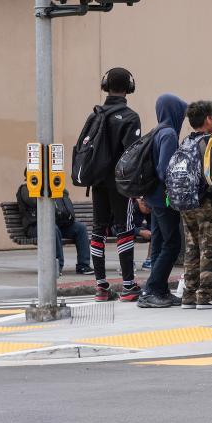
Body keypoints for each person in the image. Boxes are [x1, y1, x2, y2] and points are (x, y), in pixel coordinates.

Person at [86, 67, 142, 302]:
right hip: (121, 184)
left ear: (105, 85)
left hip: (97, 181)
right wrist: (138, 189)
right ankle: (128, 285)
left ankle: (101, 286)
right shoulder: (130, 117)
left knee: (98, 229)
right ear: (129, 88)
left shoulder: (95, 115)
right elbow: (133, 156)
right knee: (125, 229)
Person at [139, 93, 188, 308]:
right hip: (164, 198)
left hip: (154, 197)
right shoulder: (168, 134)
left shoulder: (157, 131)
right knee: (173, 243)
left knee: (159, 244)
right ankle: (151, 290)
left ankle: (158, 289)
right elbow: (164, 169)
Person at [177, 101, 212, 309]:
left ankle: (188, 294)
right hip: (205, 202)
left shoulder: (185, 142)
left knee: (192, 247)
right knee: (209, 247)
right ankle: (205, 295)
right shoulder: (209, 141)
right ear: (208, 119)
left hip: (186, 202)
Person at [15, 178, 91, 277]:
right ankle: (56, 266)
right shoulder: (25, 189)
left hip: (57, 224)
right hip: (35, 227)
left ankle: (83, 265)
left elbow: (65, 194)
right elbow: (35, 201)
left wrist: (56, 187)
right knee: (52, 229)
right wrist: (46, 189)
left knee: (80, 228)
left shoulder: (52, 186)